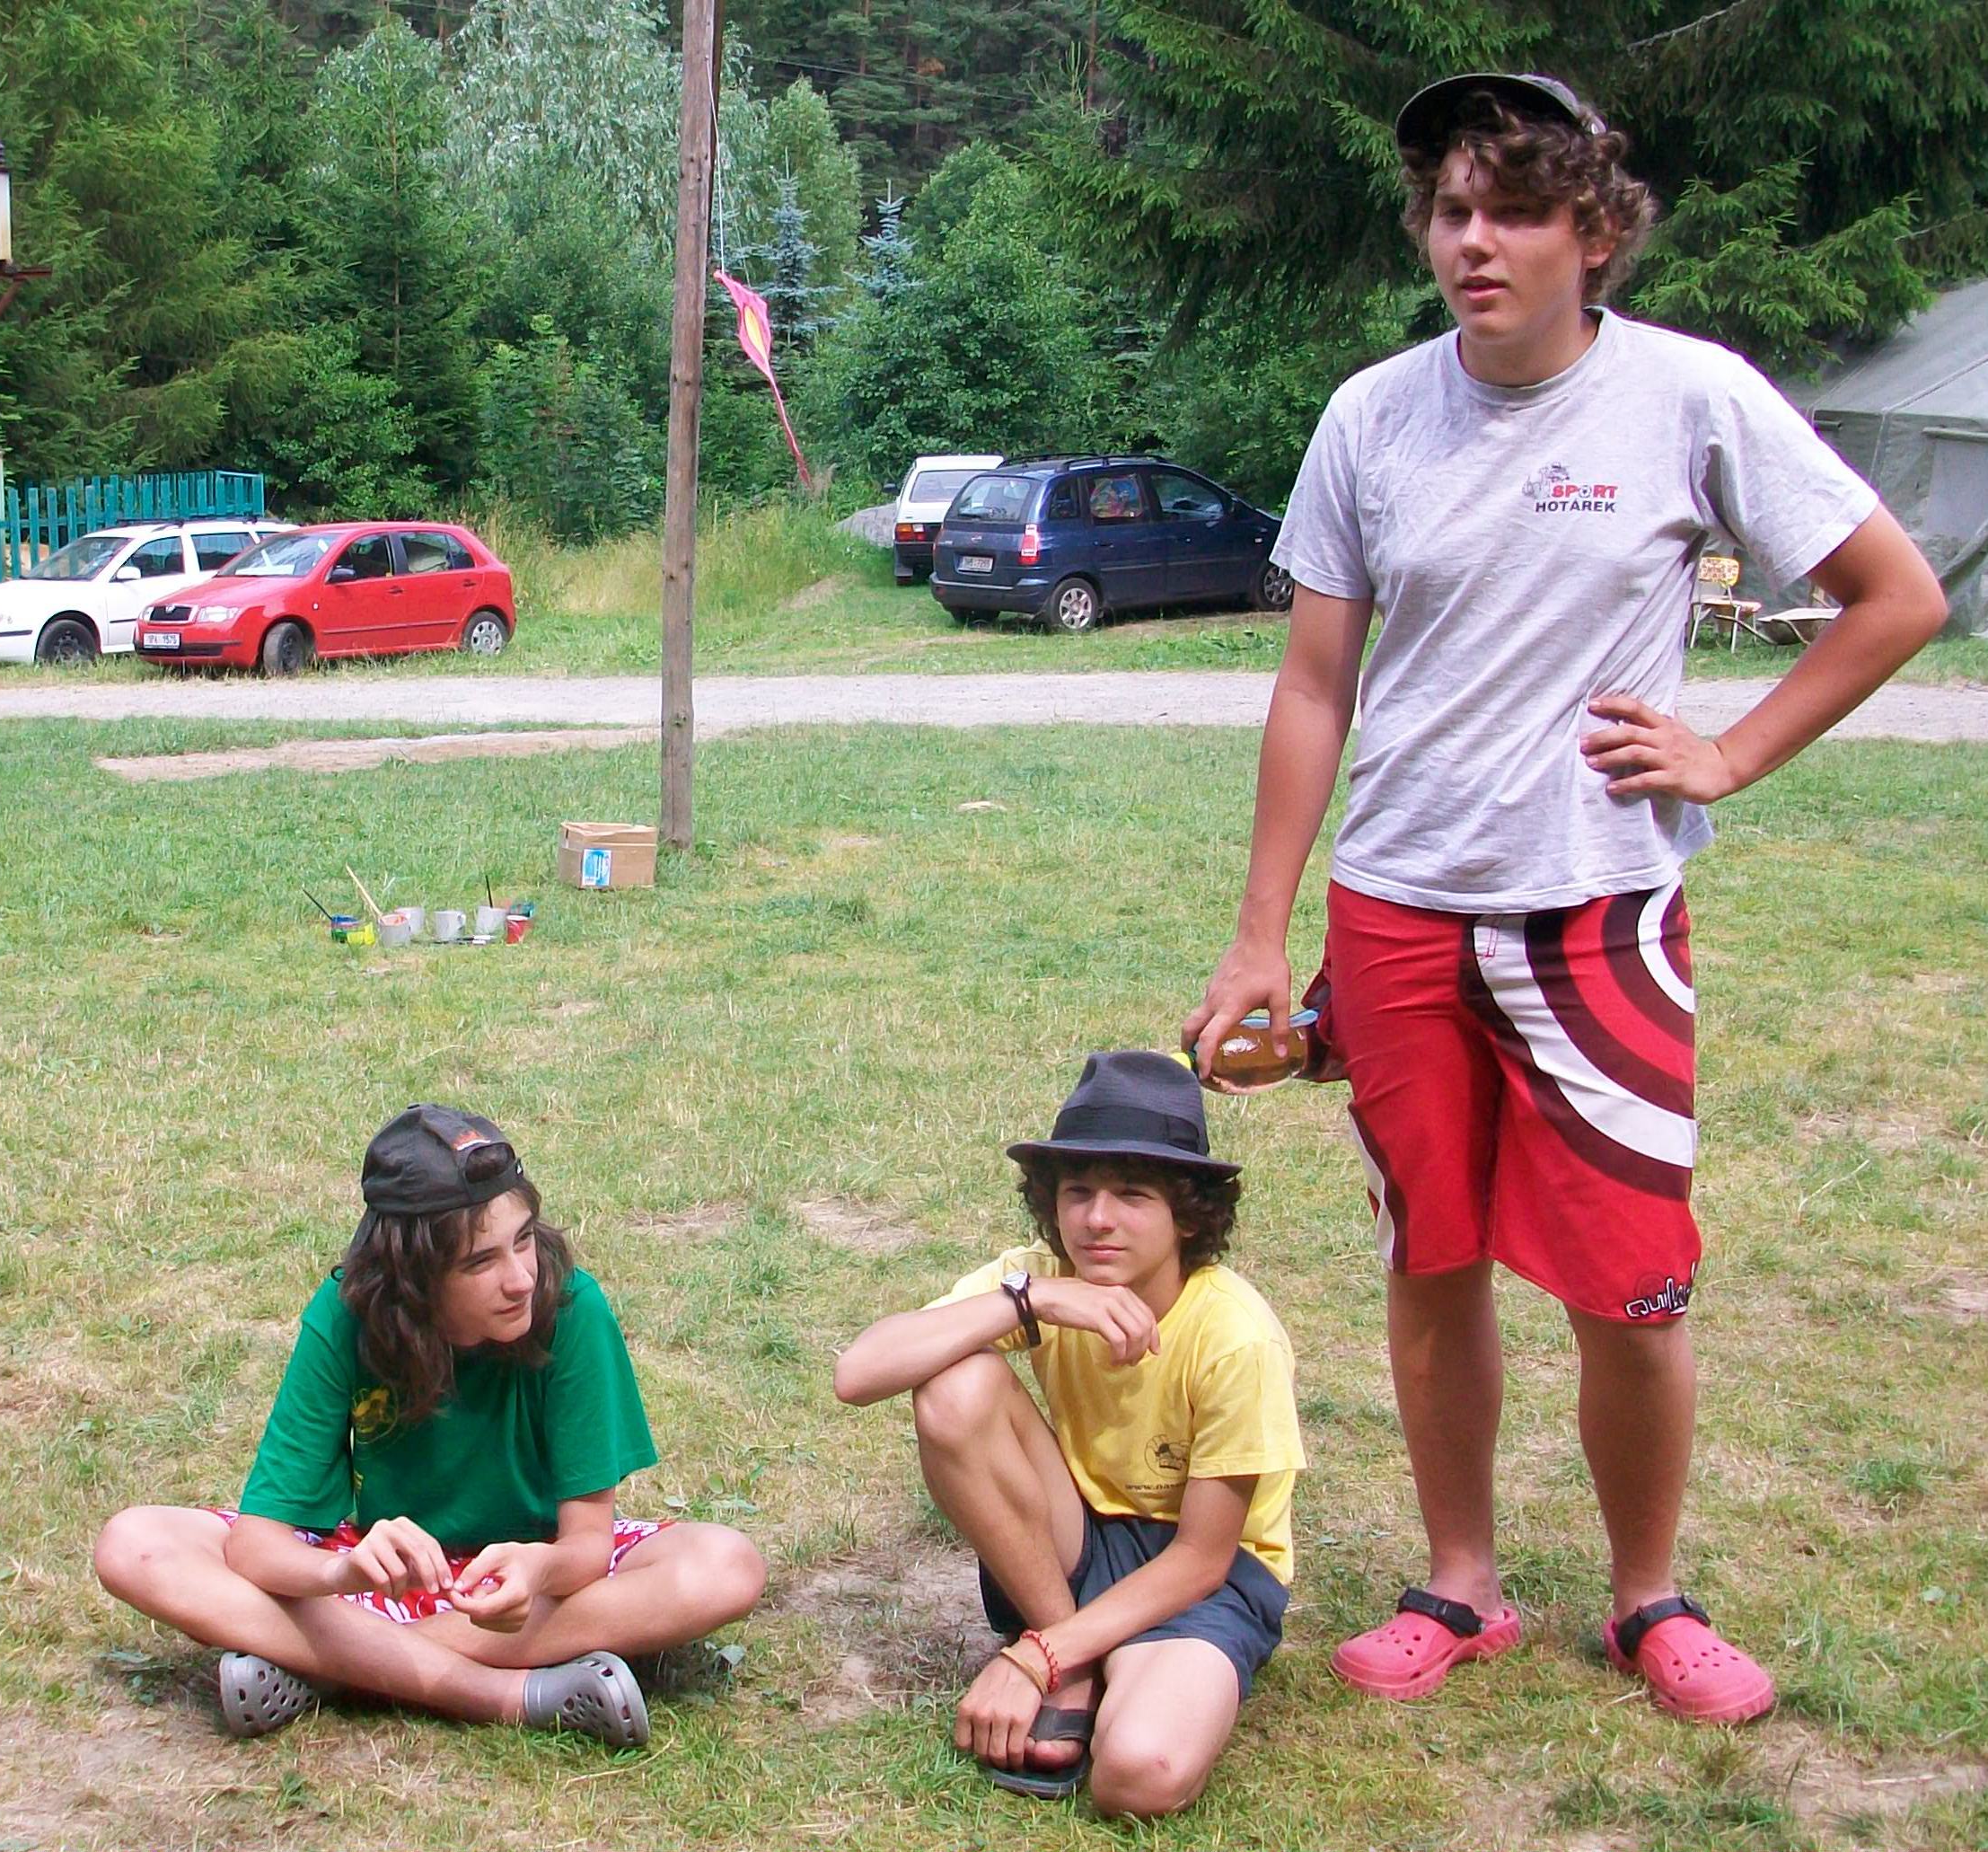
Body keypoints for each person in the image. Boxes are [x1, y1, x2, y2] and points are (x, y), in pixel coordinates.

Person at [1184, 73, 1948, 1725]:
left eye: (1517, 211)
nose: (1476, 242)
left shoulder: (1689, 395)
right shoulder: (1371, 416)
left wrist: (1730, 753)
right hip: (1396, 911)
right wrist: (1260, 934)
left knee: (1632, 1281)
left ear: (1593, 232)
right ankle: (1458, 1584)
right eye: (1451, 211)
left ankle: (1648, 1597)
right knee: (1428, 1259)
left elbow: (1894, 597)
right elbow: (1313, 685)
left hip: (1600, 913)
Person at [93, 1106, 766, 1747]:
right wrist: (344, 1572)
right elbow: (258, 1546)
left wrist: (541, 1568)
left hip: (523, 1589)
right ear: (412, 1276)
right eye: (480, 1262)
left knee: (725, 1566)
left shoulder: (572, 1307)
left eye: (524, 1240)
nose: (520, 1279)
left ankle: (328, 1667)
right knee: (135, 1544)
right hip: (381, 1581)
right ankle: (509, 1696)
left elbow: (587, 1546)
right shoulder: (346, 1314)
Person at [834, 1053, 1304, 1816]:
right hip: (1077, 1538)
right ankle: (1079, 1669)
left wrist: (1033, 1656)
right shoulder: (1042, 1275)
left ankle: (1084, 1657)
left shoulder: (1235, 1335)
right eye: (1076, 1192)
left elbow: (1201, 1559)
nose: (1097, 1219)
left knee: (1139, 1773)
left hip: (1206, 1577)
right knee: (955, 1383)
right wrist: (1033, 1301)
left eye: (1132, 1194)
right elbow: (859, 1373)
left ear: (1188, 1214)